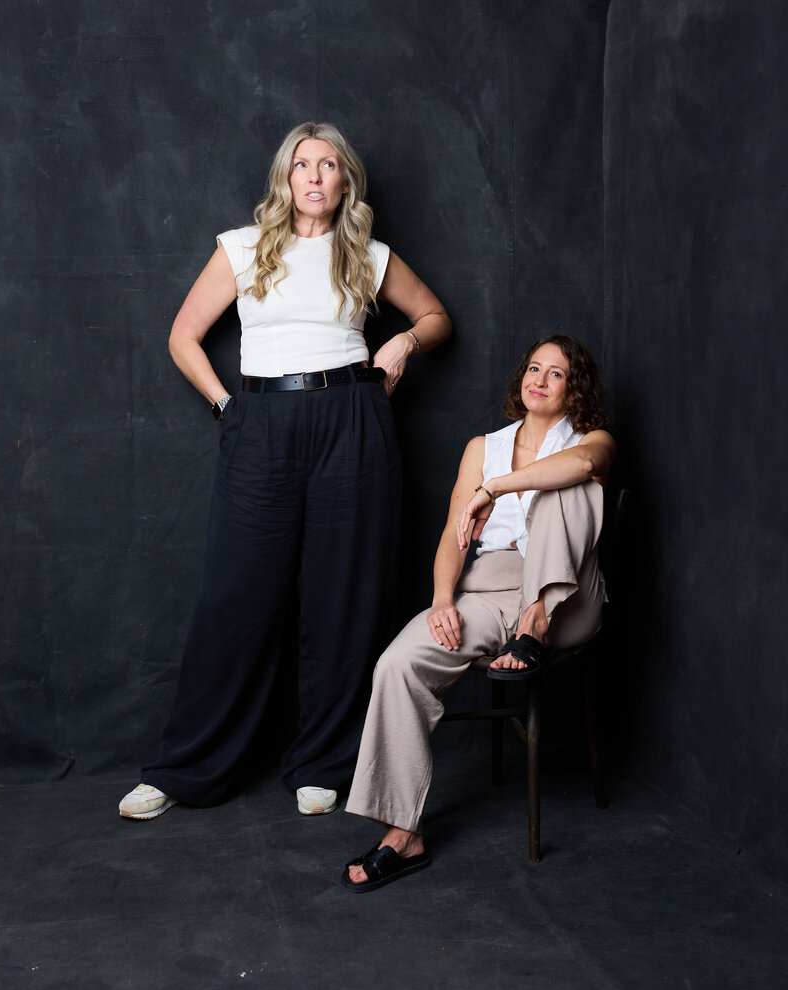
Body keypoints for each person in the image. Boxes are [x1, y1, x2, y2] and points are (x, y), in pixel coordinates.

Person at [119, 122, 451, 821]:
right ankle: (184, 768)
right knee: (235, 598)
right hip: (261, 420)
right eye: (304, 164)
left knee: (344, 597)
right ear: (286, 177)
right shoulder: (242, 247)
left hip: (353, 418)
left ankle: (324, 762)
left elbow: (436, 316)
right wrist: (225, 407)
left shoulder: (368, 254)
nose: (316, 175)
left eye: (330, 164)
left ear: (345, 182)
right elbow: (183, 335)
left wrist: (401, 343)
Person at [340, 335, 614, 891]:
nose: (538, 378)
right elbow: (452, 536)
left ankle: (534, 623)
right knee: (398, 665)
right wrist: (443, 599)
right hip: (487, 594)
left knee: (564, 482)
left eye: (555, 373)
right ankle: (403, 832)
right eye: (532, 367)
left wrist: (497, 489)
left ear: (574, 389)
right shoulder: (482, 446)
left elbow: (582, 464)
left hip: (566, 597)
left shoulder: (594, 440)